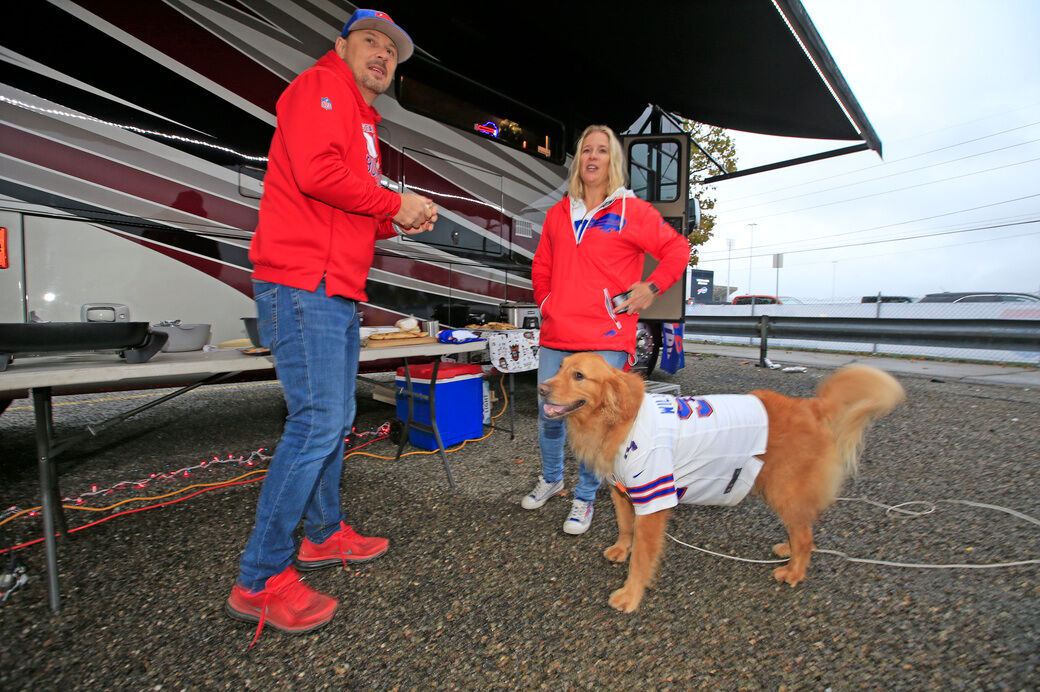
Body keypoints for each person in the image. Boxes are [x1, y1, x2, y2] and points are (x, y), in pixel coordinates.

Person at [225, 9, 436, 644]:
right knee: (318, 420)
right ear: (341, 46)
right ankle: (260, 578)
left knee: (335, 417)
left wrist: (393, 219)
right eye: (370, 41)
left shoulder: (359, 115)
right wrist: (396, 202)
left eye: (392, 50)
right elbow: (319, 175)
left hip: (334, 284)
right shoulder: (320, 88)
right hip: (301, 281)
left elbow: (349, 202)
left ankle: (322, 536)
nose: (383, 54)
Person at [521, 124, 690, 535]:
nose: (592, 157)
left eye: (601, 151)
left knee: (597, 424)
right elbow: (541, 266)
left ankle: (584, 499)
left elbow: (677, 249)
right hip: (557, 334)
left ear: (612, 161)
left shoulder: (631, 211)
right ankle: (551, 478)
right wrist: (547, 303)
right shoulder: (559, 213)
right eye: (586, 151)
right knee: (549, 414)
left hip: (604, 338)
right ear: (578, 160)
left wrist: (651, 288)